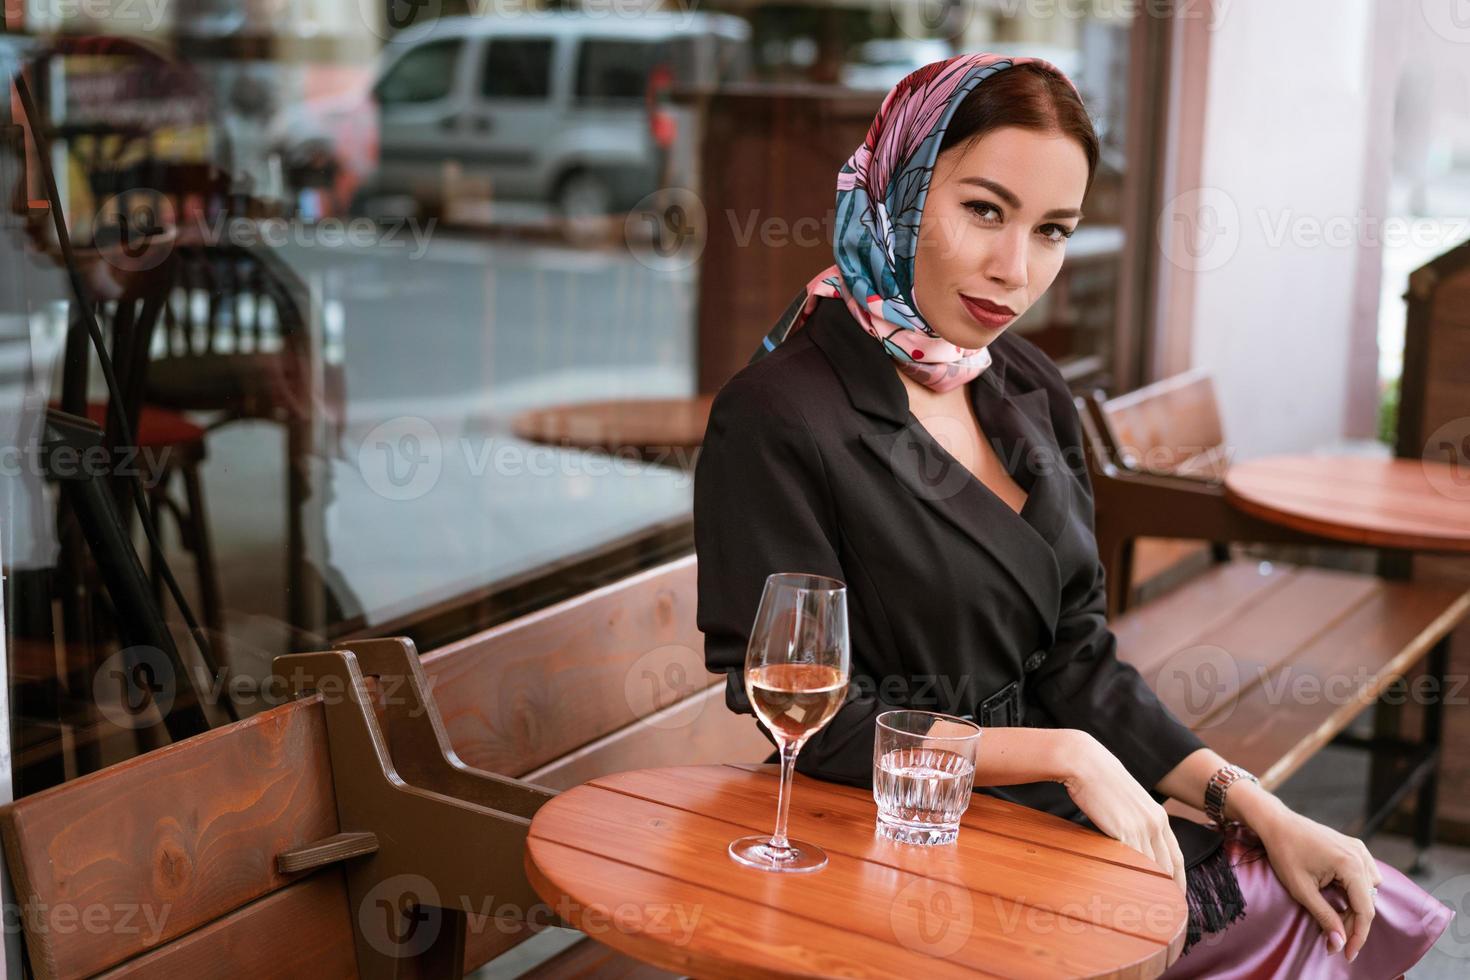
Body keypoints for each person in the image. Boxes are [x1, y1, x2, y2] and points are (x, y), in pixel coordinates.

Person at [692, 53, 1454, 977]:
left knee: (1347, 902)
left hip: (1051, 812)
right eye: (983, 209)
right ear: (899, 183)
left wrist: (1255, 804)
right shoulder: (780, 413)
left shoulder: (1026, 388)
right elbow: (820, 724)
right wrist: (1065, 753)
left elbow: (1081, 661)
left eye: (1052, 230)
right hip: (894, 843)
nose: (1015, 270)